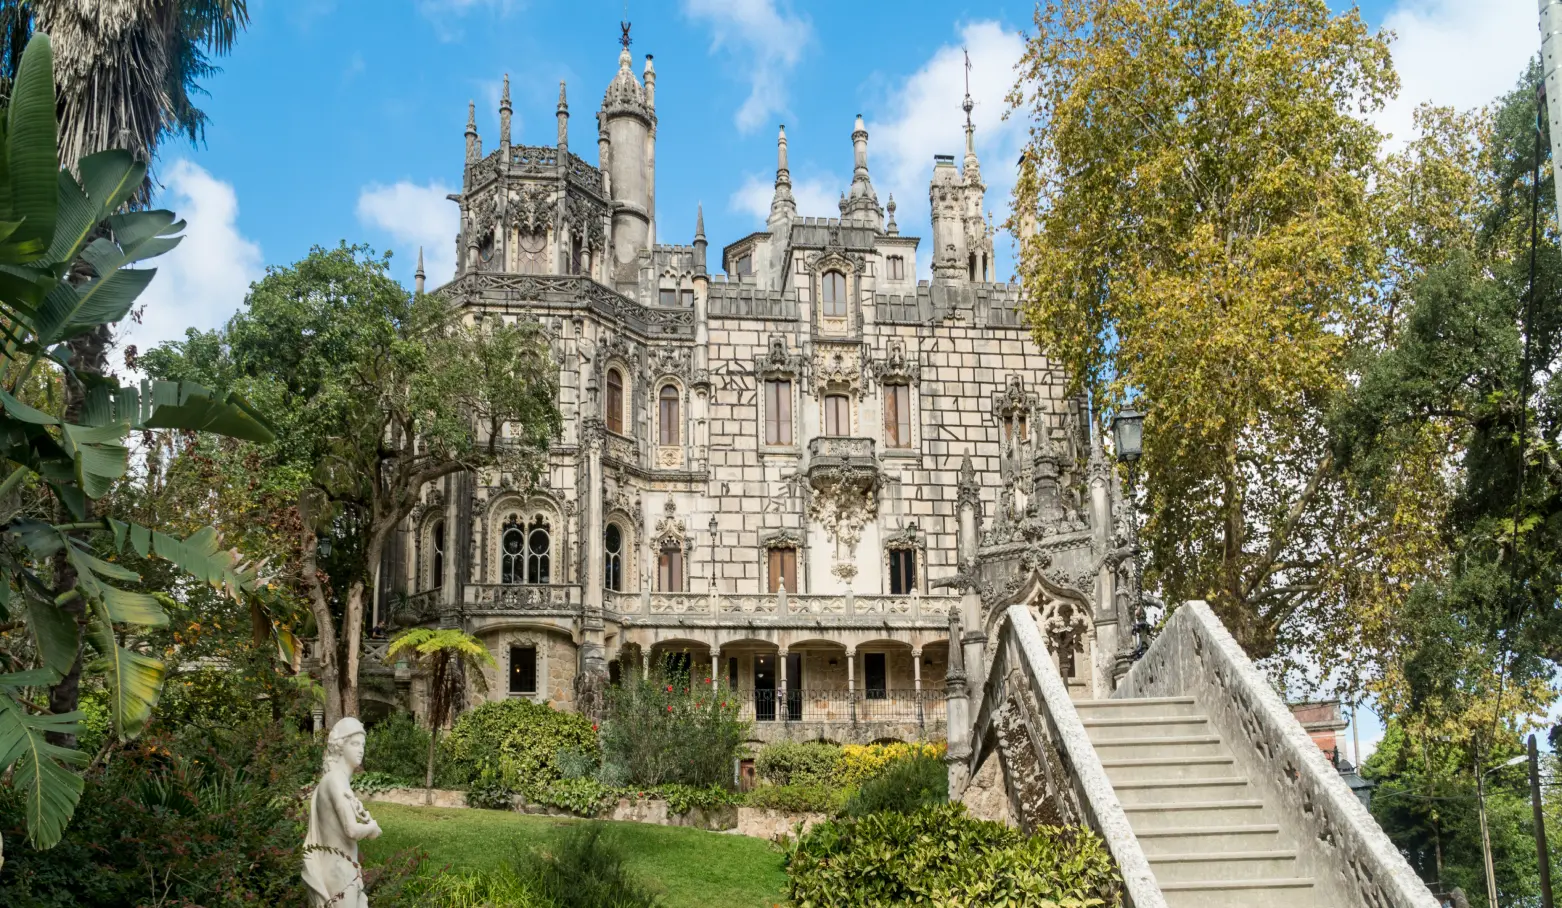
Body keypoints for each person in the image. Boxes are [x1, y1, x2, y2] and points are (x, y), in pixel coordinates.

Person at [302, 717, 382, 907]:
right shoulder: (336, 780)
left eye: (362, 744)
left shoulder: (336, 780)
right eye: (354, 744)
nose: (361, 749)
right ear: (340, 746)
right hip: (338, 871)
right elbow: (351, 830)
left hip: (344, 868)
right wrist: (371, 827)